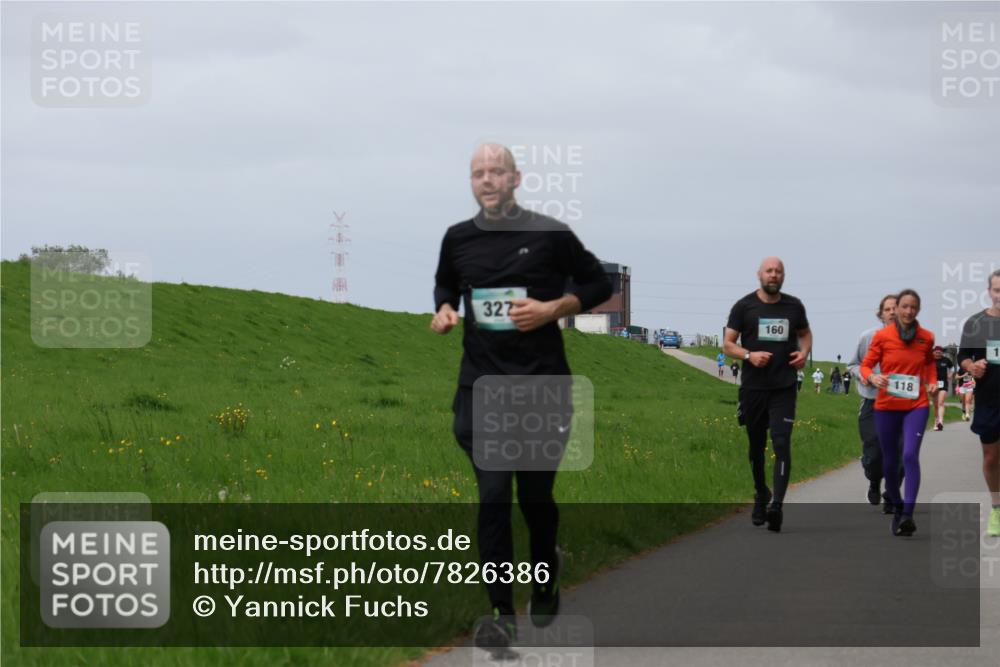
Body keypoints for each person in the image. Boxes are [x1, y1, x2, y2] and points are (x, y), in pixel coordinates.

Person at [432, 143, 612, 651]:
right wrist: (445, 311)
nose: (486, 180)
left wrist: (556, 307)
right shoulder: (457, 238)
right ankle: (500, 612)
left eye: (496, 171)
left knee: (534, 499)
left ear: (516, 178)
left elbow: (600, 282)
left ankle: (546, 574)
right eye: (477, 173)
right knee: (492, 499)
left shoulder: (550, 235)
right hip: (482, 389)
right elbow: (445, 286)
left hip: (542, 388)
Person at [724, 257, 812, 532]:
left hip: (784, 387)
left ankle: (777, 506)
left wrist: (804, 353)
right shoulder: (744, 306)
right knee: (756, 445)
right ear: (759, 275)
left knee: (782, 442)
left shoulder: (793, 306)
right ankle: (761, 493)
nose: (774, 275)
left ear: (783, 276)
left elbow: (806, 334)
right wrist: (749, 354)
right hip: (753, 388)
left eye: (778, 271)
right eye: (769, 271)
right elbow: (728, 344)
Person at [861, 289, 936, 537]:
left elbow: (928, 362)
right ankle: (897, 505)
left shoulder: (926, 337)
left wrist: (933, 380)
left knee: (910, 455)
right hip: (886, 407)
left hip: (916, 405)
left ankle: (908, 515)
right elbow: (865, 365)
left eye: (913, 307)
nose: (908, 311)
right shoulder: (882, 337)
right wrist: (872, 376)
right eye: (904, 306)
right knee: (890, 462)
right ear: (898, 309)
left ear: (918, 310)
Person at [847, 293, 904, 513]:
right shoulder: (868, 337)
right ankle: (873, 480)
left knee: (901, 454)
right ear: (880, 314)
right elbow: (853, 365)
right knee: (874, 456)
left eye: (895, 308)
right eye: (887, 309)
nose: (891, 312)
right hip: (872, 403)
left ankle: (891, 494)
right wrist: (865, 375)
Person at [957, 268, 1000, 537]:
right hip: (989, 399)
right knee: (992, 457)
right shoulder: (975, 323)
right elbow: (962, 356)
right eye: (997, 290)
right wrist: (972, 366)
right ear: (989, 292)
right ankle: (997, 510)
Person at [932, 346, 955, 431]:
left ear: (942, 352)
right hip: (933, 384)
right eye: (936, 352)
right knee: (935, 405)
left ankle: (940, 422)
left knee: (941, 402)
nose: (938, 353)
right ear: (933, 352)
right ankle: (936, 421)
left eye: (940, 352)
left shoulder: (946, 360)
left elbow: (952, 367)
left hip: (943, 383)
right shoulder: (930, 360)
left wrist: (950, 374)